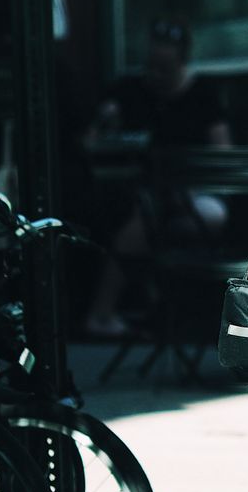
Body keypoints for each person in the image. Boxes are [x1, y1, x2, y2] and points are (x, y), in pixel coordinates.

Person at [84, 19, 231, 338]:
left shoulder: (202, 94)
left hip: (194, 192)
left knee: (161, 220)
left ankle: (115, 307)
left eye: (165, 67)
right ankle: (129, 306)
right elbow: (94, 137)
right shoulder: (130, 90)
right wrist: (108, 119)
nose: (157, 75)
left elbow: (223, 152)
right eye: (152, 65)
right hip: (139, 190)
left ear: (182, 61)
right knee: (139, 217)